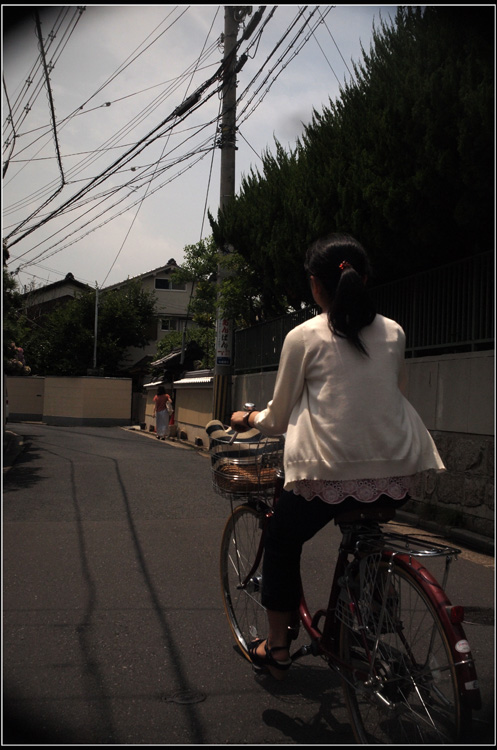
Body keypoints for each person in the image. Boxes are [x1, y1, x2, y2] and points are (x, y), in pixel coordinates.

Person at [230, 232, 445, 679]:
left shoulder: (303, 336)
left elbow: (278, 417)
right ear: (363, 280)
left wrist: (247, 419)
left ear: (314, 284)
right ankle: (369, 613)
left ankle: (278, 648)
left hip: (326, 475)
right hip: (398, 471)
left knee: (283, 539)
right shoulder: (395, 332)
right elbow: (393, 394)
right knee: (363, 527)